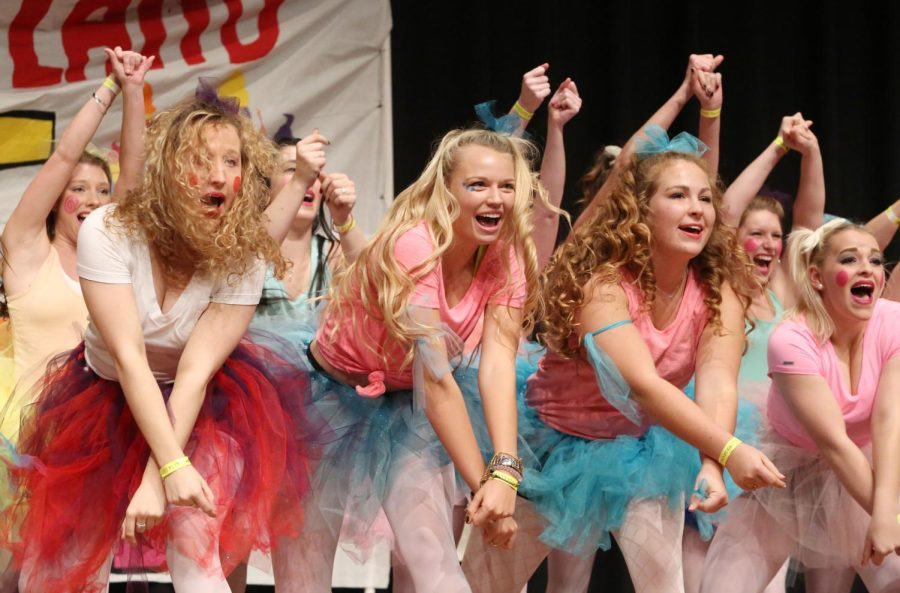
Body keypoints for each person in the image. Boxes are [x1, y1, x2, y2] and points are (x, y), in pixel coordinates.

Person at [0, 93, 310, 592]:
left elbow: (193, 372)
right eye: (199, 160)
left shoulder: (244, 255)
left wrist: (162, 474)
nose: (216, 175)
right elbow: (129, 358)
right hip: (103, 398)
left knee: (198, 554)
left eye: (230, 161)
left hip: (198, 405)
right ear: (167, 168)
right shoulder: (110, 230)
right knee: (65, 568)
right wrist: (168, 465)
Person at [463, 129, 785, 593]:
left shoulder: (719, 287)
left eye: (704, 199)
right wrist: (732, 451)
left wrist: (713, 463)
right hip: (550, 446)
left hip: (639, 450)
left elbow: (717, 381)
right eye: (677, 195)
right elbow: (642, 384)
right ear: (640, 211)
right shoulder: (605, 285)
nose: (697, 208)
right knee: (483, 584)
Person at [271, 127, 548, 593]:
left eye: (506, 186)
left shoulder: (507, 254)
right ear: (446, 190)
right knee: (304, 579)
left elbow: (497, 366)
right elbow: (437, 381)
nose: (496, 198)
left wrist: (504, 473)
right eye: (477, 185)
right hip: (326, 405)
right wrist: (486, 488)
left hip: (408, 406)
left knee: (434, 561)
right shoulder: (414, 246)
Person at [700, 219, 900, 593]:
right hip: (786, 472)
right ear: (817, 277)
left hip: (868, 467)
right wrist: (885, 516)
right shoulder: (792, 339)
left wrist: (890, 515)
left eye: (875, 261)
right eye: (849, 260)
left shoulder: (893, 323)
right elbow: (833, 443)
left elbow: (889, 422)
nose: (867, 269)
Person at [682, 113, 826, 593]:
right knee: (701, 580)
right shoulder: (717, 287)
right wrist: (777, 147)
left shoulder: (785, 288)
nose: (768, 243)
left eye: (773, 235)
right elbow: (721, 212)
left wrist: (811, 154)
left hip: (774, 449)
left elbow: (809, 225)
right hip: (718, 440)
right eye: (756, 232)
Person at [0, 48, 152, 441]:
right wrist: (110, 88)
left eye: (103, 190)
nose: (94, 201)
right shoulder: (26, 252)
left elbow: (133, 175)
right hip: (32, 437)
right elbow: (65, 156)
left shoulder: (112, 256)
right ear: (54, 200)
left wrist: (134, 89)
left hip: (103, 432)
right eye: (79, 189)